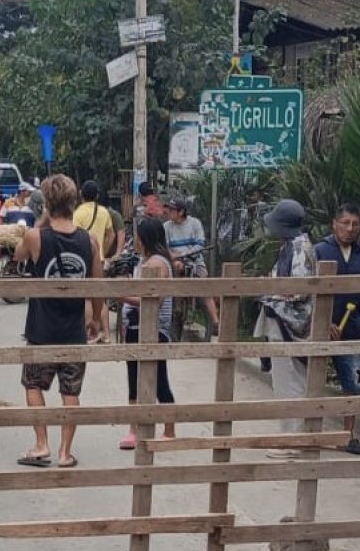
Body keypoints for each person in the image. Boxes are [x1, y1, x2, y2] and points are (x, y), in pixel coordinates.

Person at [14, 174, 105, 469]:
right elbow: (97, 285)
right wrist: (97, 322)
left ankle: (42, 445)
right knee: (71, 391)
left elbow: (18, 256)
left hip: (41, 329)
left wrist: (41, 220)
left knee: (33, 384)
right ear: (74, 201)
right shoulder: (88, 240)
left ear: (47, 204)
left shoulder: (35, 237)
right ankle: (66, 452)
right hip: (73, 329)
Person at [253, 199, 317, 459]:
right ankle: (289, 436)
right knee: (285, 380)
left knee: (290, 381)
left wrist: (269, 292)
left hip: (291, 322)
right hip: (282, 319)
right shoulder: (292, 246)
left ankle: (293, 441)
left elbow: (298, 290)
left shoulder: (299, 248)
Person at [313, 203, 360, 456]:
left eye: (355, 224)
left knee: (353, 384)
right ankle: (309, 435)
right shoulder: (319, 251)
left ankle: (349, 436)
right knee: (312, 383)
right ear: (334, 224)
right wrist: (321, 322)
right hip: (321, 328)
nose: (350, 229)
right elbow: (308, 294)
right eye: (345, 223)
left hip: (351, 328)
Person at [118, 217, 176, 449]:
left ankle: (169, 430)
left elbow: (154, 300)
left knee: (159, 379)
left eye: (138, 236)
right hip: (135, 327)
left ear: (145, 238)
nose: (136, 241)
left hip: (152, 328)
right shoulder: (145, 261)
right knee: (134, 379)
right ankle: (134, 428)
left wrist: (120, 295)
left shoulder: (156, 263)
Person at [164, 198, 220, 330]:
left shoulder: (195, 223)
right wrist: (174, 257)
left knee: (204, 286)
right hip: (176, 261)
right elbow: (165, 246)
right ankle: (175, 310)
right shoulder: (166, 227)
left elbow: (200, 244)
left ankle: (215, 322)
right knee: (173, 276)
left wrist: (184, 254)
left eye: (172, 210)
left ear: (181, 211)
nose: (169, 212)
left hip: (195, 260)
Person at [73, 180, 114, 342]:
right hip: (101, 259)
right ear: (97, 195)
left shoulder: (78, 213)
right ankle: (107, 334)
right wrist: (102, 249)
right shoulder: (104, 212)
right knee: (100, 296)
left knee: (87, 297)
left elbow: (74, 235)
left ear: (81, 195)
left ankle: (89, 332)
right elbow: (111, 234)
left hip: (83, 259)